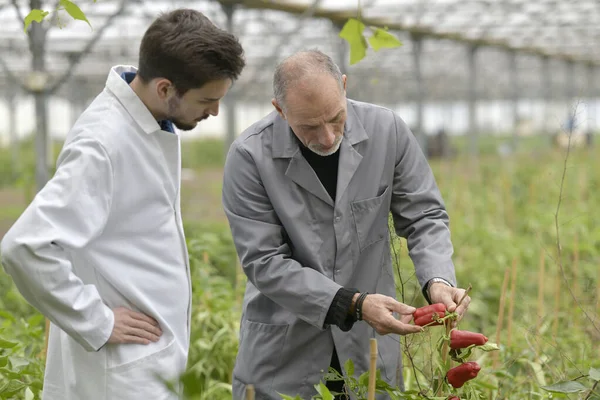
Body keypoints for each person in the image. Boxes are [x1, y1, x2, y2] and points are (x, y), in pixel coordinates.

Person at [0, 9, 245, 400]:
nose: (214, 111)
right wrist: (97, 321)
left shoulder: (151, 119)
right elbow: (24, 247)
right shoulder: (103, 144)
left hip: (146, 358)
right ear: (165, 89)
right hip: (122, 373)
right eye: (207, 100)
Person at [221, 49, 470, 400]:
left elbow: (424, 216)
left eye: (336, 118)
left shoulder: (388, 131)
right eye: (308, 126)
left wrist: (438, 279)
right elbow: (264, 261)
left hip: (369, 346)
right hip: (286, 347)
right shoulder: (249, 157)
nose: (326, 137)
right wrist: (352, 304)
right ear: (279, 109)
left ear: (344, 86)